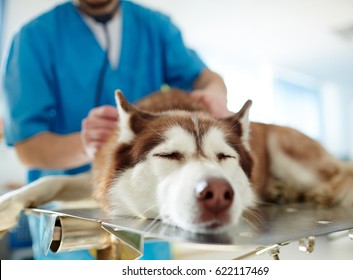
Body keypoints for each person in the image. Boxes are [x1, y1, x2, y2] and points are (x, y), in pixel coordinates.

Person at [1, 0, 230, 259]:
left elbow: (205, 77)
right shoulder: (34, 38)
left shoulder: (155, 27)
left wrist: (214, 93)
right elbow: (27, 147)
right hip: (71, 216)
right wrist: (87, 145)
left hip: (149, 217)